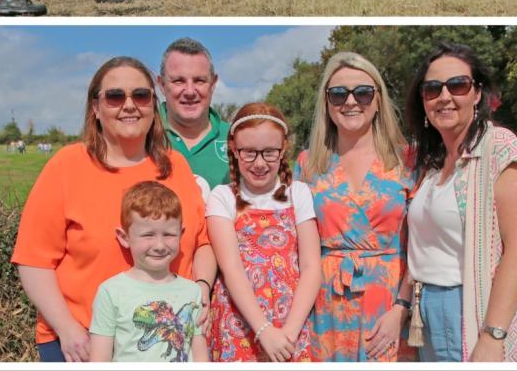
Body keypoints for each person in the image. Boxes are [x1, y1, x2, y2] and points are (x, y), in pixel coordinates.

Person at [12, 56, 214, 363]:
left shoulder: (176, 166)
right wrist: (66, 327)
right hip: (83, 341)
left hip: (166, 345)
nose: (129, 105)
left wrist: (201, 288)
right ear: (95, 107)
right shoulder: (67, 166)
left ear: (153, 105)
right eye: (115, 96)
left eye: (141, 95)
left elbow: (202, 242)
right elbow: (33, 260)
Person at [402, 43, 517, 361]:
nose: (444, 97)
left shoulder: (500, 148)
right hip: (425, 309)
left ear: (477, 94)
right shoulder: (433, 161)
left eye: (458, 85)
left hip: (471, 307)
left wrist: (493, 334)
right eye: (432, 89)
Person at [295, 52, 415, 361]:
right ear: (326, 102)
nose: (351, 102)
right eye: (338, 94)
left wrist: (402, 309)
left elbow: (422, 246)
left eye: (362, 92)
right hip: (324, 306)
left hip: (388, 305)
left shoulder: (407, 161)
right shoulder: (307, 164)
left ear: (378, 99)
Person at [206, 103, 320, 362]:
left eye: (269, 152)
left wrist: (289, 332)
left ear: (283, 151)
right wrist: (263, 330)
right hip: (240, 324)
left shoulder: (298, 193)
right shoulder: (223, 198)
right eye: (248, 153)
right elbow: (231, 267)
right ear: (234, 149)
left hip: (292, 322)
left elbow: (311, 266)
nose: (259, 163)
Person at [87, 181, 207, 362]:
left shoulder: (193, 292)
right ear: (124, 238)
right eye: (148, 235)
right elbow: (99, 359)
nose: (159, 246)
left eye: (168, 234)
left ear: (181, 235)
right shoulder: (110, 292)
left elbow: (200, 355)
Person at [155, 38, 230, 190]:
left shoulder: (237, 138)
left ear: (213, 83)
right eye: (178, 81)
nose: (190, 92)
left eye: (199, 81)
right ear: (162, 85)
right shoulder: (141, 136)